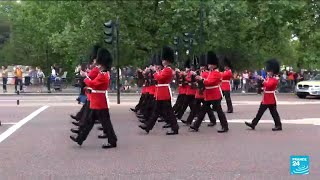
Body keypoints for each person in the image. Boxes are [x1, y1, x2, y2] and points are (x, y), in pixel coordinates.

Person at [70, 47, 117, 149]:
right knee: (90, 122)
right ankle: (80, 138)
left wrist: (85, 77)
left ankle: (112, 141)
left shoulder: (103, 75)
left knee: (105, 123)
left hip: (99, 101)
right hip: (97, 100)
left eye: (99, 64)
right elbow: (94, 85)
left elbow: (93, 84)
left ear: (103, 64)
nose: (97, 65)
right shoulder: (103, 73)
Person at [138, 46, 179, 135]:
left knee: (169, 112)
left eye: (164, 60)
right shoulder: (165, 69)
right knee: (157, 111)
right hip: (160, 92)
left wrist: (156, 71)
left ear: (167, 61)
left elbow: (159, 77)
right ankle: (148, 126)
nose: (162, 61)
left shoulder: (168, 70)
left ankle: (174, 128)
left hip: (164, 92)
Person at [190, 51, 229, 133]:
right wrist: (198, 78)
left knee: (219, 111)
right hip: (209, 94)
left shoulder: (216, 73)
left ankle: (225, 126)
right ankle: (196, 126)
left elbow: (209, 82)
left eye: (210, 64)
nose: (208, 65)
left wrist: (201, 79)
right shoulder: (211, 72)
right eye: (209, 64)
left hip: (215, 94)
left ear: (214, 64)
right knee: (203, 110)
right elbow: (206, 81)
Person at [245, 59, 282, 131]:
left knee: (272, 113)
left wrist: (262, 79)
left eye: (269, 71)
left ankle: (278, 125)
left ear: (272, 71)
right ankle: (254, 124)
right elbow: (266, 86)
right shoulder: (269, 78)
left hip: (270, 98)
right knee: (264, 112)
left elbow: (268, 85)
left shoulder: (274, 79)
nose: (268, 72)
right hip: (266, 98)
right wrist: (262, 88)